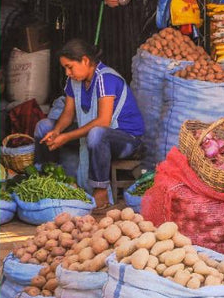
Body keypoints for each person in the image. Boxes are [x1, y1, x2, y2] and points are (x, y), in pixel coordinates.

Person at [34, 39, 145, 211]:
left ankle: (100, 191)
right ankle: (47, 179)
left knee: (97, 133)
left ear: (85, 61)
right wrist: (56, 132)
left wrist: (66, 137)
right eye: (65, 68)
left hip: (126, 139)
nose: (67, 72)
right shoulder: (74, 81)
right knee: (44, 126)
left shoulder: (105, 78)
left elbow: (103, 121)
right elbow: (68, 114)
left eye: (69, 67)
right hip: (97, 135)